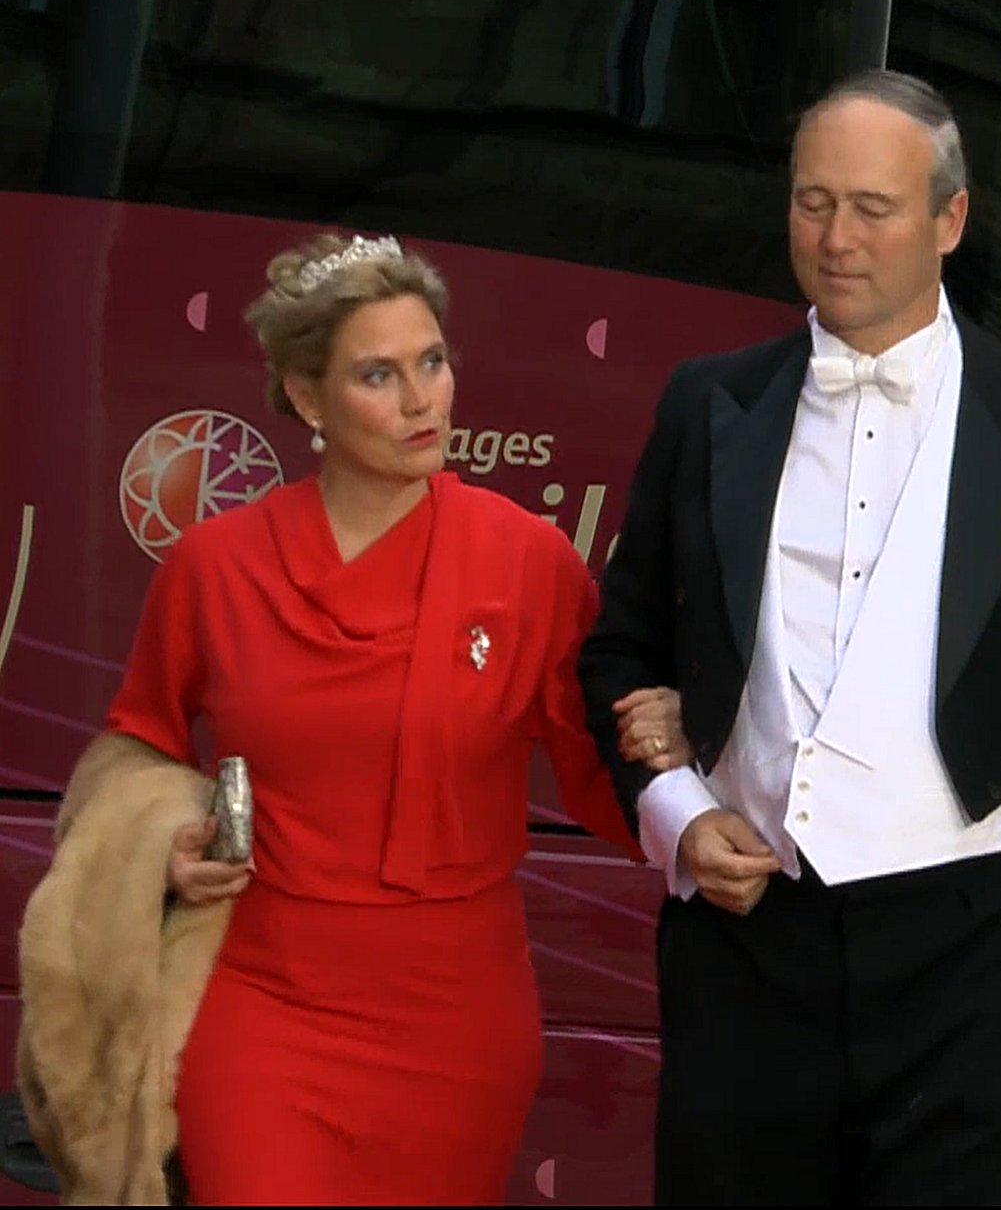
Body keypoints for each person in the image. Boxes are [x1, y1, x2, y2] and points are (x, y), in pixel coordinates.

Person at [580, 70, 1001, 1206]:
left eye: (872, 207)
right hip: (749, 942)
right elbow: (620, 651)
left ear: (950, 219)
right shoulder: (706, 403)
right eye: (812, 202)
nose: (835, 237)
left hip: (979, 941)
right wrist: (679, 813)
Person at [19, 233, 689, 1206]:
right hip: (265, 1005)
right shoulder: (215, 565)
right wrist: (164, 846)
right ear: (306, 397)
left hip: (459, 1023)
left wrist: (671, 748)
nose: (423, 399)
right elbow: (137, 749)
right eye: (380, 374)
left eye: (433, 361)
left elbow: (600, 776)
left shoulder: (528, 562)